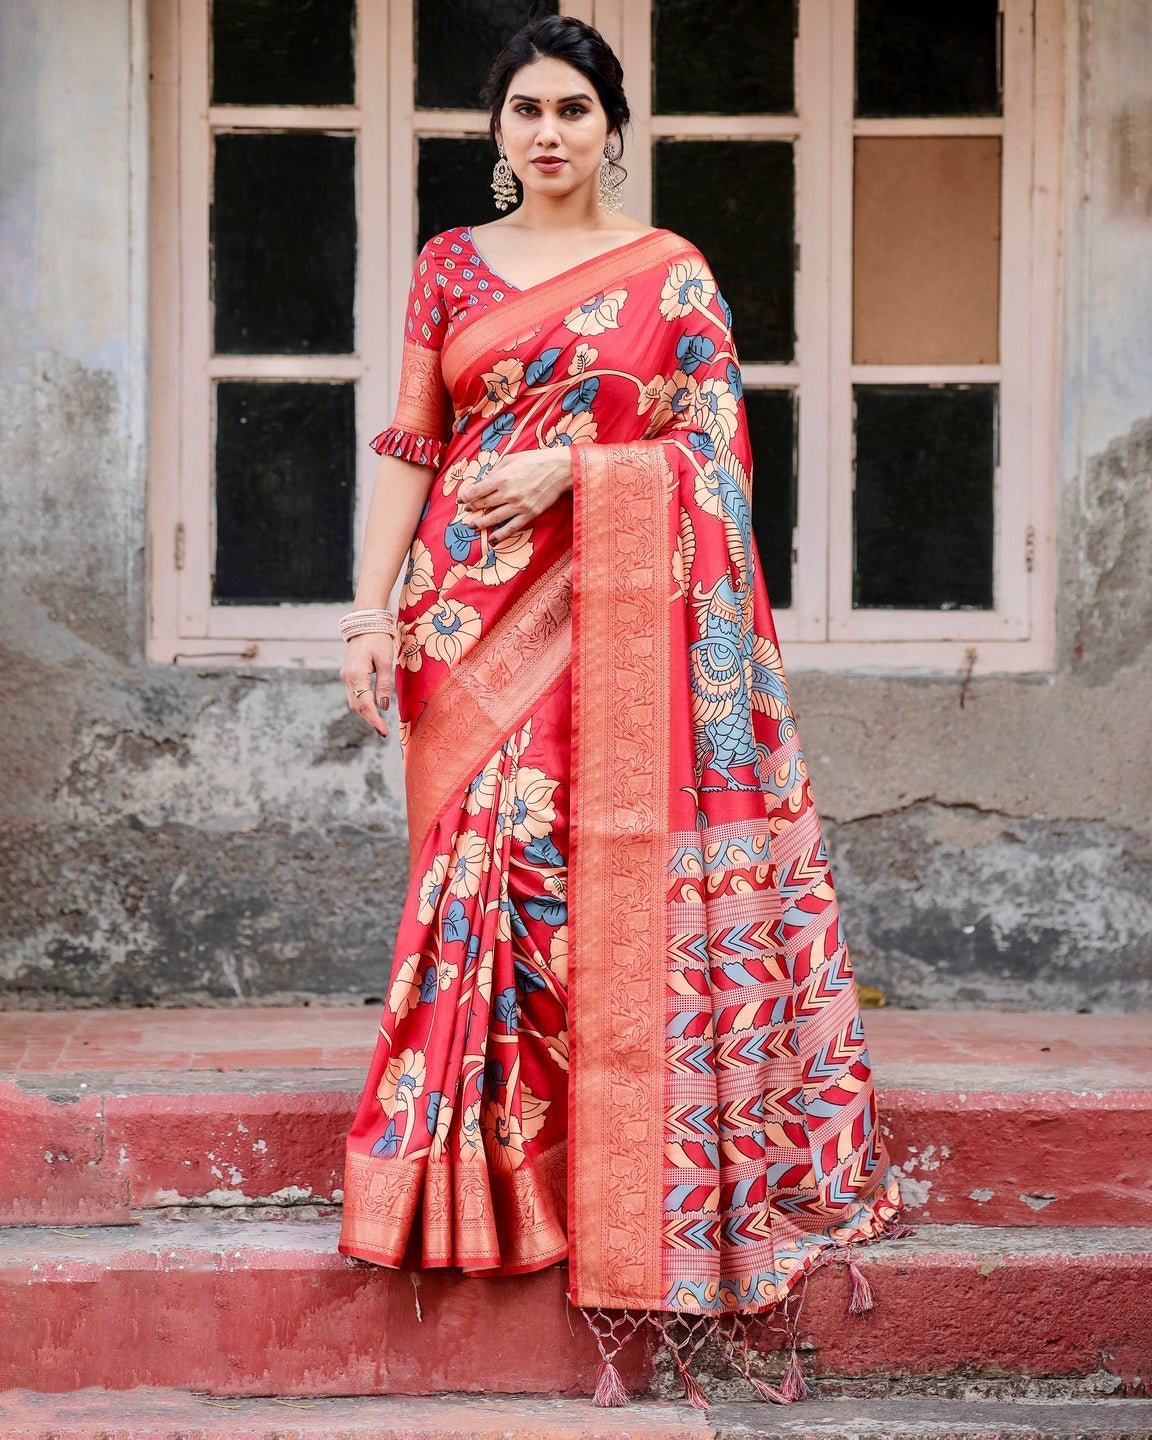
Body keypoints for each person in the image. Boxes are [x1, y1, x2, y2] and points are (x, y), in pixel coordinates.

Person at [336, 13, 907, 1408]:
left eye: (573, 112)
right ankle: (482, 1187)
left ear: (611, 128)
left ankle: (618, 1158)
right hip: (464, 622)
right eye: (523, 110)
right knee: (477, 889)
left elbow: (713, 454)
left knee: (577, 882)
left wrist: (570, 476)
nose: (546, 134)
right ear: (494, 133)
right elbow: (413, 446)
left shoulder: (673, 276)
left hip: (609, 615)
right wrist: (366, 612)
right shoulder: (449, 268)